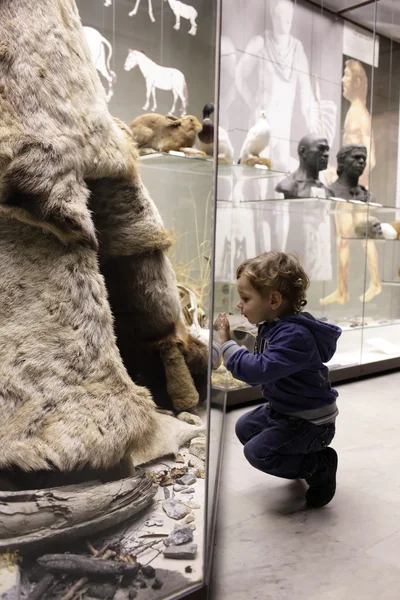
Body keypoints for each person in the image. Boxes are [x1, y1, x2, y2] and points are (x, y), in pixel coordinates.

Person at [214, 251, 341, 508]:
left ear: (273, 300)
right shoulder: (276, 325)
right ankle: (300, 453)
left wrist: (226, 343)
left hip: (311, 422)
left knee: (258, 453)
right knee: (244, 428)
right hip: (286, 410)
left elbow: (256, 371)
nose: (239, 304)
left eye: (245, 298)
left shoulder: (295, 336)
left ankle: (320, 464)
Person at [342, 59, 375, 189]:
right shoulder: (353, 112)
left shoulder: (361, 115)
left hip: (356, 189)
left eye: (347, 75)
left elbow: (371, 159)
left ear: (357, 82)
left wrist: (353, 180)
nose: (343, 80)